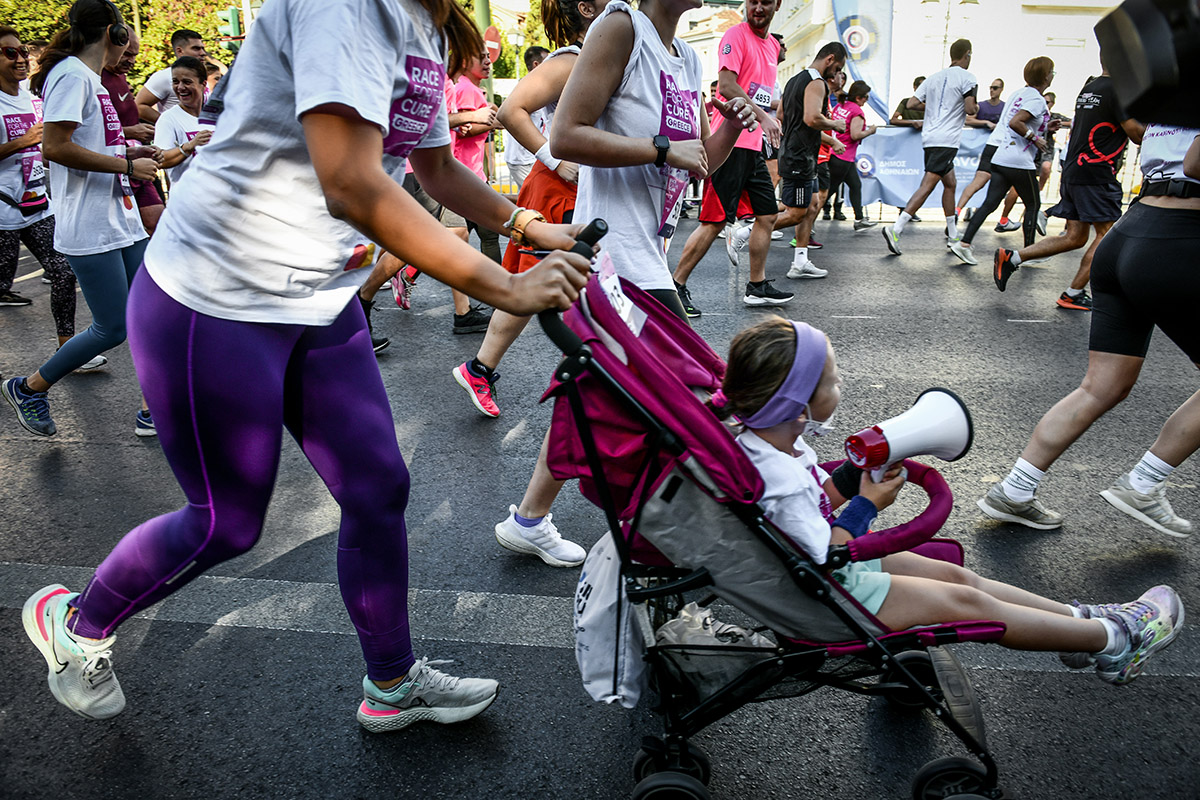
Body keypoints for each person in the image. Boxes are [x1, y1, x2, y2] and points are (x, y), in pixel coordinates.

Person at [20, 0, 592, 730]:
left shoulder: (422, 23)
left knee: (378, 487)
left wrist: (528, 224)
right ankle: (77, 622)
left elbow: (437, 169)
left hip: (318, 299)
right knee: (227, 522)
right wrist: (506, 285)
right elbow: (350, 181)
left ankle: (391, 684)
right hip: (215, 296)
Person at [711, 316, 1183, 684]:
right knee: (961, 601)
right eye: (831, 383)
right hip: (826, 593)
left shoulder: (767, 444)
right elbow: (822, 552)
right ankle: (1115, 639)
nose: (839, 388)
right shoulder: (778, 474)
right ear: (797, 405)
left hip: (821, 576)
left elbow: (817, 501)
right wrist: (869, 505)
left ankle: (1077, 621)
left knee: (955, 575)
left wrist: (857, 480)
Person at [483, 0, 759, 569]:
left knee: (601, 393)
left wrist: (736, 118)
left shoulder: (685, 58)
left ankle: (529, 519)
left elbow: (698, 159)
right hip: (619, 260)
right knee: (693, 398)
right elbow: (565, 135)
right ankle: (670, 548)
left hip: (646, 256)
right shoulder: (619, 28)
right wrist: (661, 148)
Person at [978, 125, 1199, 538]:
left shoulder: (1173, 86)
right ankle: (1145, 483)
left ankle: (1015, 489)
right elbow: (1195, 162)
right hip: (1180, 235)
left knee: (1100, 386)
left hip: (1131, 230)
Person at [5, 0, 158, 438]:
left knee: (151, 314)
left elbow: (94, 147)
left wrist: (130, 154)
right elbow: (54, 147)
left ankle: (154, 409)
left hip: (121, 218)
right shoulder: (71, 75)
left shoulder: (90, 79)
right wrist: (127, 168)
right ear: (114, 32)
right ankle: (29, 387)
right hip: (91, 227)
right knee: (112, 327)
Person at [454, 0, 609, 419]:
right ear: (587, 9)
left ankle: (484, 369)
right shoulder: (571, 59)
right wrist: (557, 160)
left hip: (585, 187)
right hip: (555, 187)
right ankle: (482, 369)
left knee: (570, 289)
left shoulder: (607, 55)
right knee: (531, 286)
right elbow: (510, 111)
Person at [670, 0, 791, 312]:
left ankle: (756, 285)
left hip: (752, 149)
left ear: (777, 4)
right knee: (714, 222)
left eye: (766, 2)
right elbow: (726, 86)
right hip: (730, 146)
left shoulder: (772, 47)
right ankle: (675, 287)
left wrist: (771, 113)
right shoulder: (735, 36)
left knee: (767, 215)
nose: (758, 7)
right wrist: (763, 117)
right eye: (753, 1)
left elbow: (761, 93)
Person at [993, 64, 1144, 309]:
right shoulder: (1119, 90)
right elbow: (1137, 134)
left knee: (1075, 237)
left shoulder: (1090, 88)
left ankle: (1012, 257)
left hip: (1075, 170)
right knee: (1108, 236)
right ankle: (1073, 292)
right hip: (1097, 173)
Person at [0, 25, 80, 352]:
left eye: (22, 52)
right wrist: (23, 141)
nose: (21, 59)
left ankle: (69, 350)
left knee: (63, 270)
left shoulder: (34, 100)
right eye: (10, 53)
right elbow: (31, 142)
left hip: (37, 206)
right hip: (2, 211)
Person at [949, 56, 1055, 266]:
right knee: (1033, 204)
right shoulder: (1037, 99)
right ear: (1045, 76)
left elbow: (1016, 121)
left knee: (990, 203)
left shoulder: (1018, 93)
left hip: (1001, 156)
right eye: (1052, 72)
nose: (1053, 76)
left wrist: (1045, 129)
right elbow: (1016, 123)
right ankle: (1029, 254)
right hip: (1018, 159)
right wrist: (1036, 139)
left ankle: (963, 244)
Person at [882, 39, 977, 256]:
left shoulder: (934, 77)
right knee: (927, 185)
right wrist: (971, 105)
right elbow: (971, 109)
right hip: (947, 139)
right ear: (967, 55)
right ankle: (896, 228)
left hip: (931, 137)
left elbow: (912, 104)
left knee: (950, 183)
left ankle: (953, 235)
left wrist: (936, 105)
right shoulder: (968, 78)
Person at [769, 42, 846, 282]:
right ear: (830, 59)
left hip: (800, 153)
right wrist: (834, 126)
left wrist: (826, 140)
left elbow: (782, 116)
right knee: (795, 214)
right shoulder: (817, 82)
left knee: (812, 205)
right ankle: (746, 232)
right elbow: (812, 118)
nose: (836, 74)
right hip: (799, 156)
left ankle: (800, 262)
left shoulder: (794, 80)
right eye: (838, 67)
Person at [100, 29, 164, 235]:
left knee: (158, 219)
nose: (131, 61)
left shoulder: (120, 76)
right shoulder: (93, 77)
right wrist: (129, 132)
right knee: (125, 230)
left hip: (133, 161)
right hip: (109, 167)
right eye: (127, 54)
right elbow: (88, 131)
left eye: (135, 55)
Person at [152, 56, 214, 186]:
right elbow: (160, 160)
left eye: (187, 82)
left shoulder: (217, 116)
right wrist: (190, 146)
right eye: (175, 81)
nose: (180, 87)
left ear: (203, 85)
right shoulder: (168, 119)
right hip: (188, 200)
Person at [827, 79, 876, 230]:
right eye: (865, 97)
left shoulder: (842, 105)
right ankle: (804, 219)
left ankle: (859, 219)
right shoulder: (856, 111)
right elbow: (855, 135)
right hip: (843, 155)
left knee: (855, 185)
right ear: (858, 97)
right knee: (827, 191)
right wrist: (870, 131)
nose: (866, 101)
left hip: (837, 152)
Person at [502, 45, 549, 190]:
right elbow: (508, 115)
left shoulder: (535, 86)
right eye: (548, 62)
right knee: (535, 200)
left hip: (533, 157)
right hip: (523, 159)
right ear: (536, 64)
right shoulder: (526, 88)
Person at [134, 28, 206, 122]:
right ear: (180, 51)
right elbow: (139, 106)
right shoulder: (163, 76)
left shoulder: (205, 74)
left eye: (203, 48)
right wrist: (170, 124)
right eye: (196, 48)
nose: (203, 53)